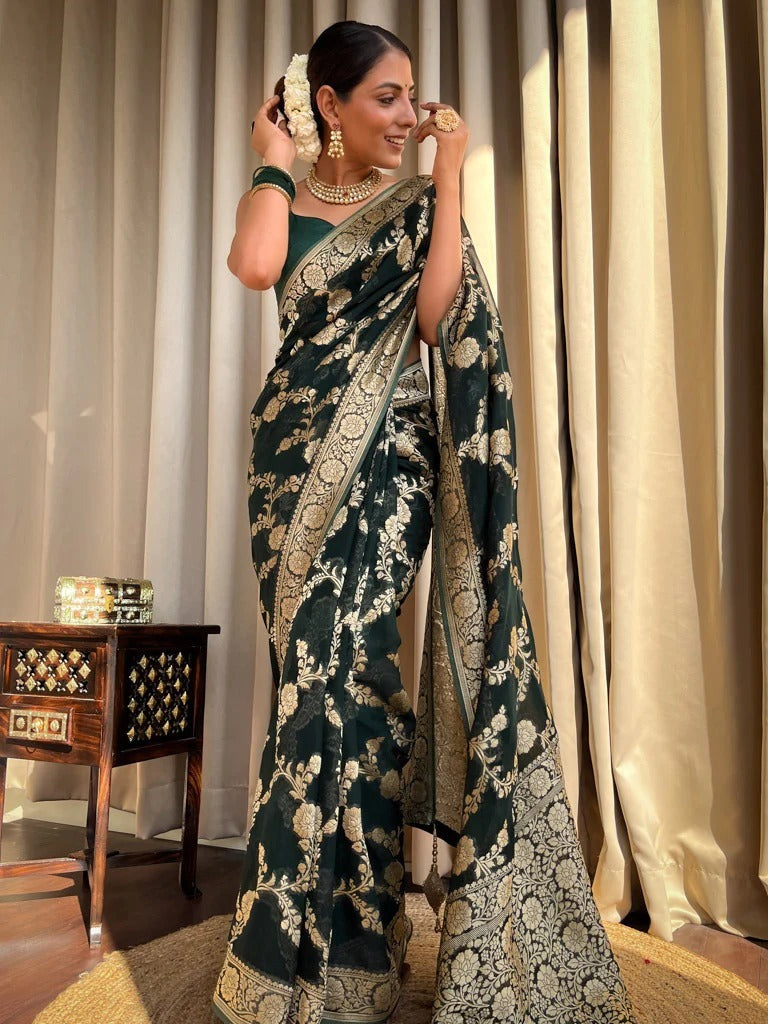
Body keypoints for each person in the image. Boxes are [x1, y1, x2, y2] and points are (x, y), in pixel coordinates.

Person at [213, 19, 638, 1024]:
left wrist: (447, 181)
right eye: (387, 97)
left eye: (412, 95)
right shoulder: (281, 194)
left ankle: (355, 949)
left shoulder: (411, 206)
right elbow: (256, 265)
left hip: (389, 465)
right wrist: (272, 157)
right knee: (306, 692)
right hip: (290, 471)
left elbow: (441, 319)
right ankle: (293, 953)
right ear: (329, 103)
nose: (408, 114)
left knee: (354, 681)